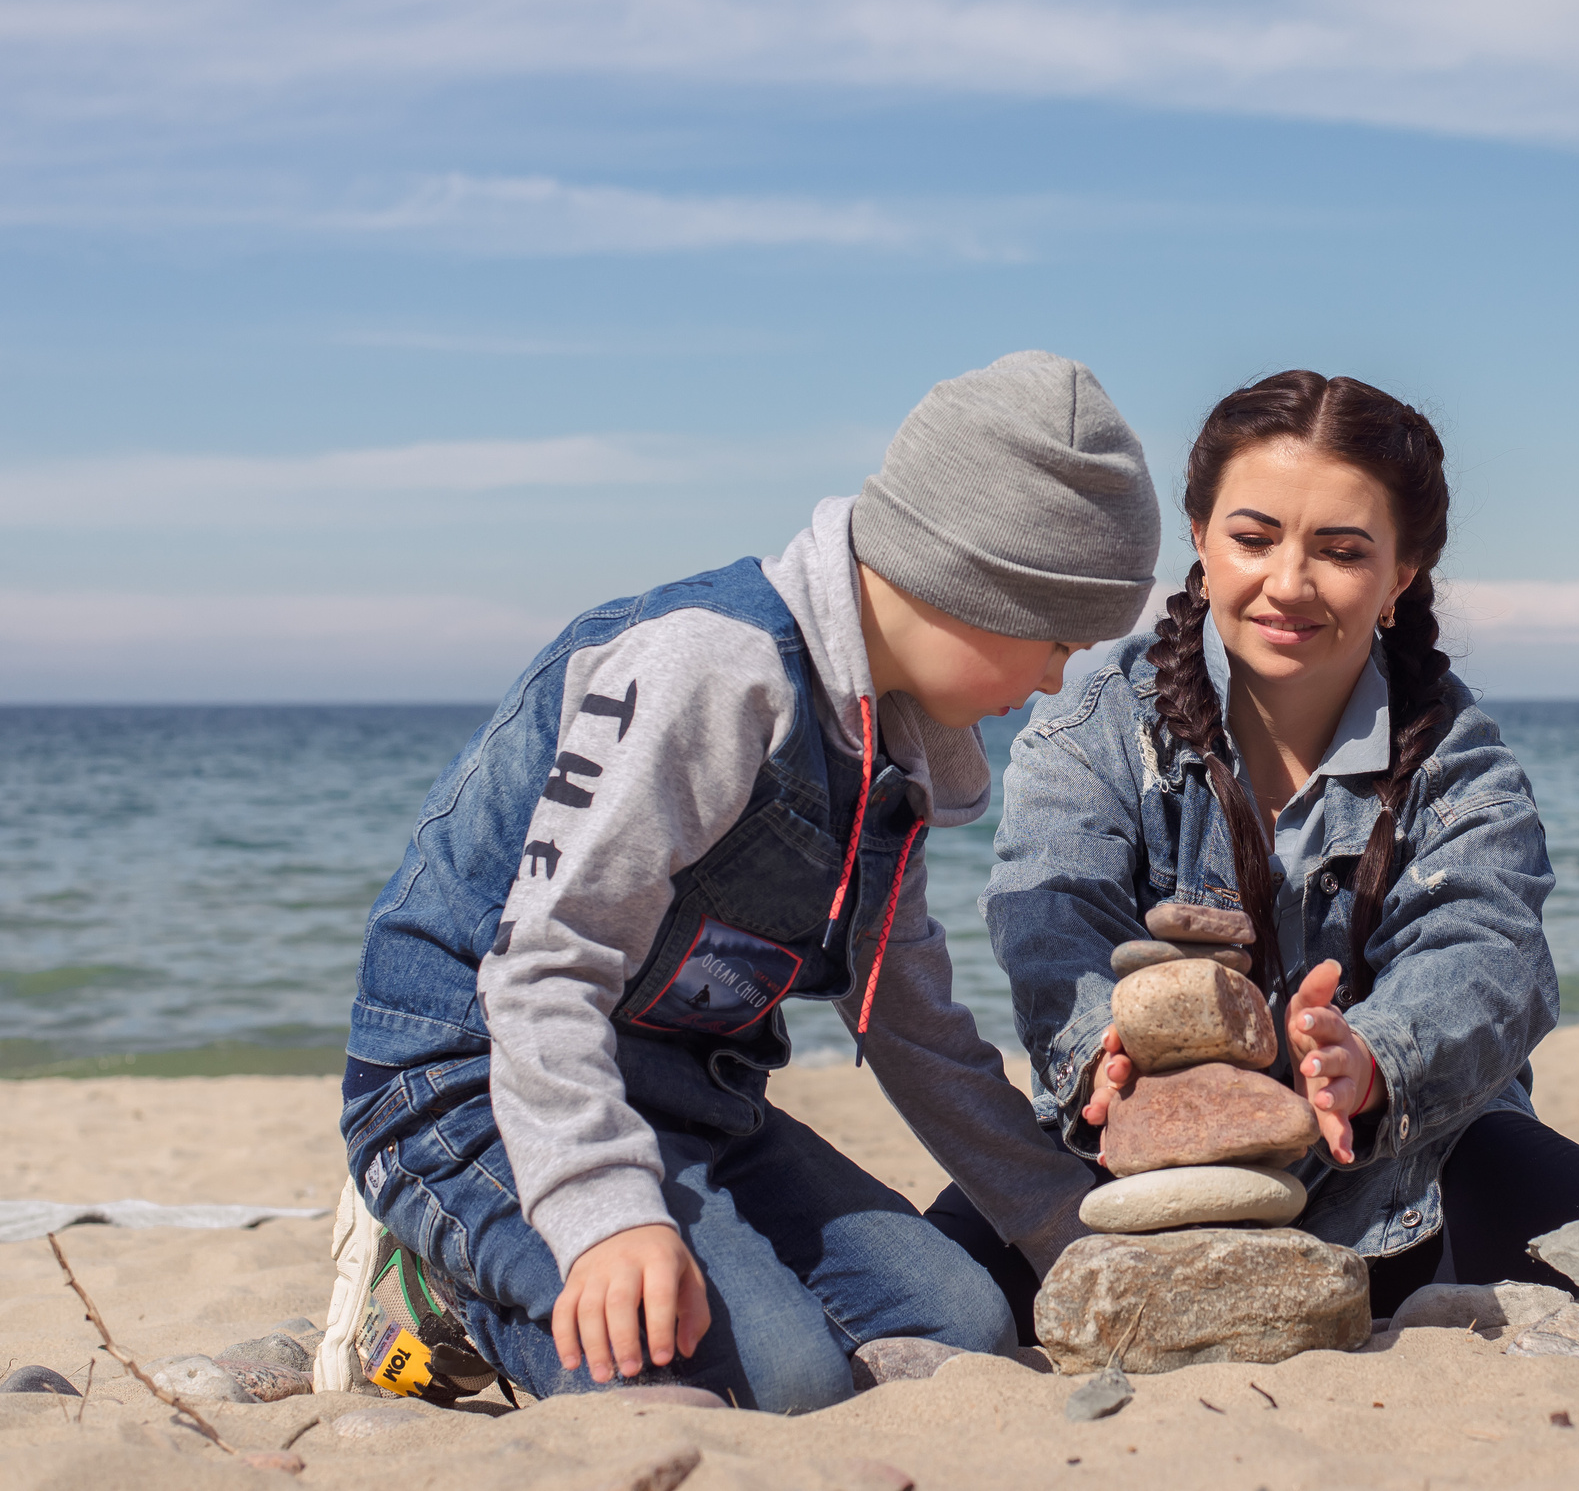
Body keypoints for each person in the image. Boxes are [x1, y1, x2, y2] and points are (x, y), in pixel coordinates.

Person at [328, 352, 1152, 1412]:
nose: (1051, 680)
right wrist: (603, 1209)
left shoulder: (897, 754)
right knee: (758, 1376)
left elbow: (911, 1024)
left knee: (963, 1323)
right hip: (475, 1081)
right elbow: (544, 962)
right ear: (968, 580)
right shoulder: (712, 672)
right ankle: (441, 1283)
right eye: (1054, 640)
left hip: (691, 1095)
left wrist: (1059, 1226)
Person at [941, 370, 1579, 1328]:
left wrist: (1370, 1057)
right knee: (940, 1287)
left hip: (1409, 1165)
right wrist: (1102, 1059)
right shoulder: (1096, 726)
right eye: (1253, 537)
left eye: (1341, 549)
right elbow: (1048, 916)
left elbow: (1492, 953)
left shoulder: (1457, 759)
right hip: (1133, 1153)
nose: (1289, 582)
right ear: (1198, 539)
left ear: (1402, 574)